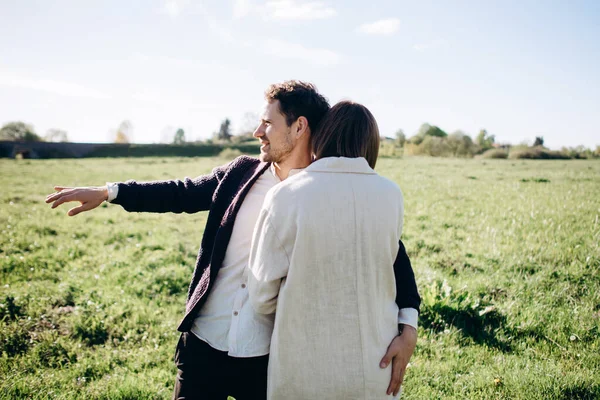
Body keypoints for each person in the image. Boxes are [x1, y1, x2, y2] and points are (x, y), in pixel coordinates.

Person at [45, 81, 419, 400]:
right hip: (205, 341)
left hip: (269, 357)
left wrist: (408, 327)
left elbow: (391, 256)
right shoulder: (241, 173)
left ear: (299, 126)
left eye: (267, 123)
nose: (258, 132)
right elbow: (181, 192)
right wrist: (110, 192)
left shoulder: (327, 192)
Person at [248, 100, 411, 399]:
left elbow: (260, 294)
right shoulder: (391, 194)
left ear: (322, 136)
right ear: (370, 143)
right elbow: (394, 267)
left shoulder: (285, 196)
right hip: (377, 365)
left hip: (304, 369)